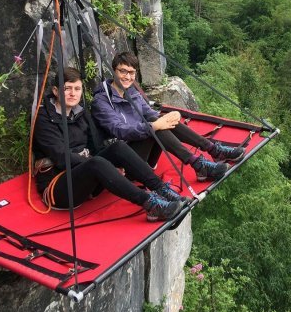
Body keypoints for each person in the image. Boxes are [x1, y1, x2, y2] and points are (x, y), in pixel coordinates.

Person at [32, 67, 187, 222]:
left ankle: (161, 189)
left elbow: (97, 146)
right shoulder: (44, 119)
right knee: (97, 162)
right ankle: (152, 205)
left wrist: (110, 166)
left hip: (88, 177)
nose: (73, 93)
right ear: (56, 91)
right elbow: (61, 157)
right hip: (59, 188)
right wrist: (106, 166)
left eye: (77, 88)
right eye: (67, 89)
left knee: (117, 148)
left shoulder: (81, 113)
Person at [91, 52, 245, 182]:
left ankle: (213, 150)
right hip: (125, 164)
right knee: (154, 126)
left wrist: (170, 117)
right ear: (114, 71)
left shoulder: (131, 92)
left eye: (131, 73)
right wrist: (155, 125)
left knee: (158, 121)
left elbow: (150, 114)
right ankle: (199, 164)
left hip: (144, 154)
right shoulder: (101, 101)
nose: (127, 76)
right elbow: (120, 131)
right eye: (123, 71)